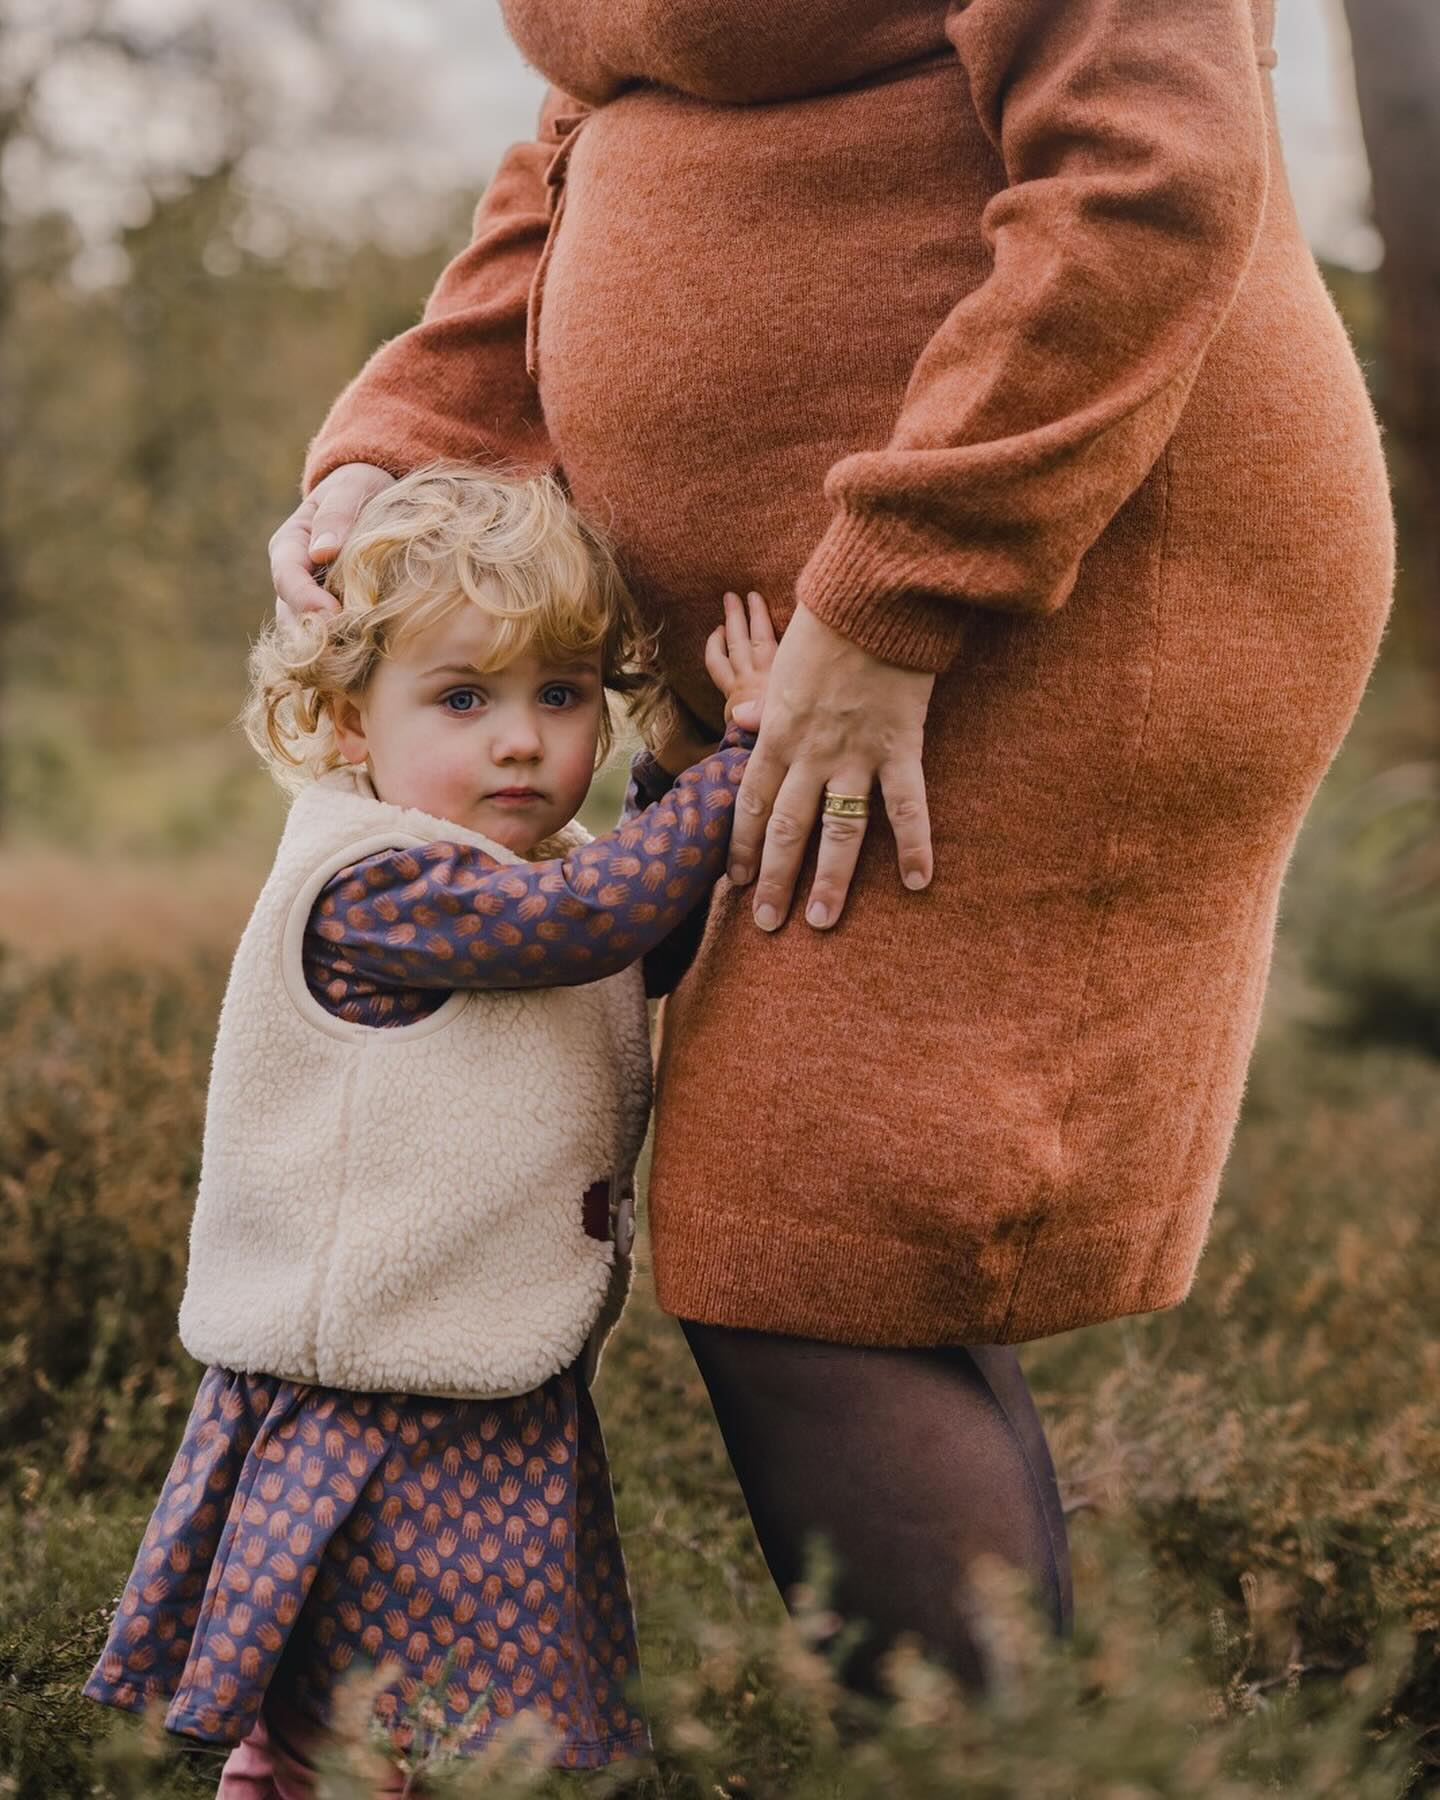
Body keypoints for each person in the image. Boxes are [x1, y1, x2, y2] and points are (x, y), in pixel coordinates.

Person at [270, 0, 1394, 1692]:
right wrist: (404, 449)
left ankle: (983, 1768)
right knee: (837, 1246)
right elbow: (578, 146)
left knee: (811, 1245)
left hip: (1054, 589)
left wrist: (896, 594)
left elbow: (1145, 164)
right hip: (815, 631)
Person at [84, 465, 775, 1793]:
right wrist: (736, 761)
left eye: (560, 696)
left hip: (479, 1382)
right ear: (351, 721)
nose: (521, 740)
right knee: (341, 1725)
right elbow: (587, 930)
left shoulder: (540, 868)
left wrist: (668, 781)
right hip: (367, 1401)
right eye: (464, 699)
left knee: (449, 1733)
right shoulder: (373, 880)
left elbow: (636, 944)